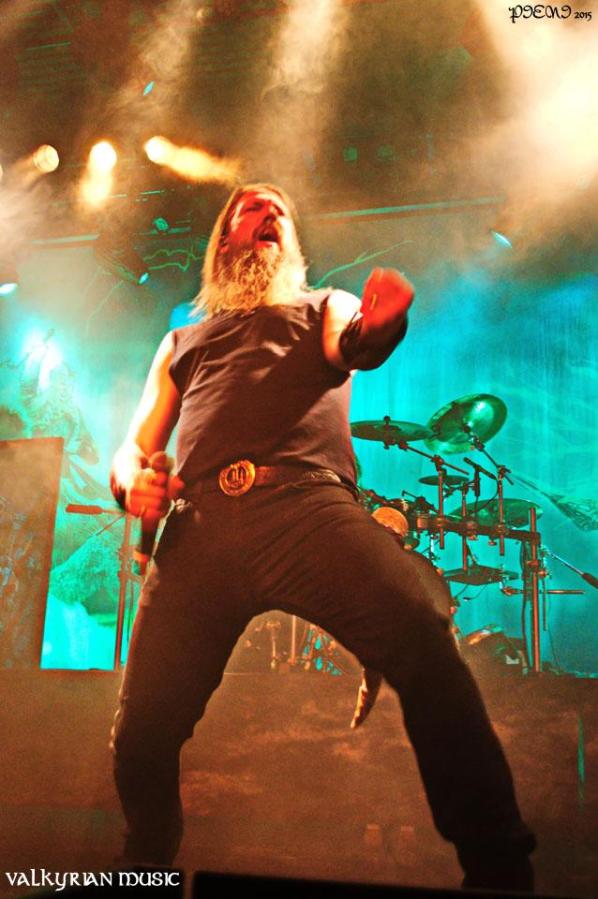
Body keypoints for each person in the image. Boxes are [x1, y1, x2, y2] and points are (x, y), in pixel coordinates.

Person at [109, 183, 535, 890]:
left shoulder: (324, 306)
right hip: (202, 527)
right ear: (224, 240)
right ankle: (145, 863)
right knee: (140, 732)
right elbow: (135, 444)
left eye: (279, 209)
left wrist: (384, 324)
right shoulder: (182, 340)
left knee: (423, 636)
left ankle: (499, 865)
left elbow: (358, 342)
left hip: (307, 508)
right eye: (252, 207)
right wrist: (132, 483)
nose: (269, 213)